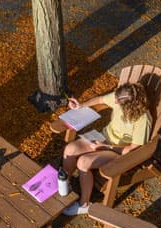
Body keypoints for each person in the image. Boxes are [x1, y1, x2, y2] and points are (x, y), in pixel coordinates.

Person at [61, 83, 151, 215]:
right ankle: (65, 184)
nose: (114, 101)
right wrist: (81, 105)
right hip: (103, 137)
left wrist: (105, 147)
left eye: (118, 102)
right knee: (69, 149)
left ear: (129, 106)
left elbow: (131, 150)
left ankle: (84, 204)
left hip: (117, 152)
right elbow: (100, 99)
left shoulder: (142, 120)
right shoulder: (121, 95)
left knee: (83, 162)